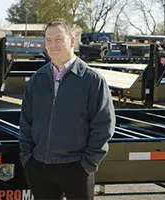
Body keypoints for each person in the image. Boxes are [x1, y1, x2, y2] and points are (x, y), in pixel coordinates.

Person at [19, 18, 115, 200]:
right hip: (40, 167)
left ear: (72, 41)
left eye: (58, 39)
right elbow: (26, 123)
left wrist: (87, 165)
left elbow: (103, 126)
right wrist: (28, 159)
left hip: (76, 169)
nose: (52, 45)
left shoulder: (92, 81)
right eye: (48, 40)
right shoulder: (36, 81)